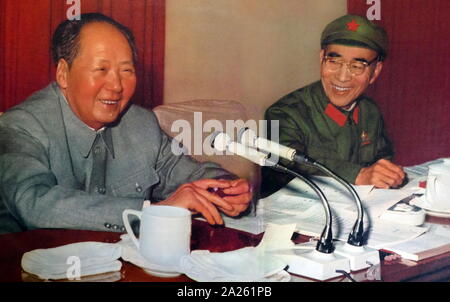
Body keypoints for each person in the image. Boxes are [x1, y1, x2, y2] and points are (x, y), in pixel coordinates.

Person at [0, 13, 251, 234]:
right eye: (101, 69)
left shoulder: (141, 124)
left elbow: (191, 174)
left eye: (126, 71)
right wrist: (154, 212)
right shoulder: (21, 126)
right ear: (63, 74)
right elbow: (35, 204)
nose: (117, 86)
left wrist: (227, 188)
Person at [261, 14, 405, 197]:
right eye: (334, 61)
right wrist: (358, 175)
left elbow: (383, 159)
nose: (342, 77)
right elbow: (287, 165)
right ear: (322, 58)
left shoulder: (370, 112)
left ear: (375, 71)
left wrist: (387, 175)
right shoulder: (281, 113)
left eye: (357, 66)